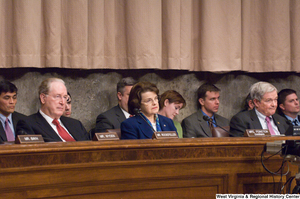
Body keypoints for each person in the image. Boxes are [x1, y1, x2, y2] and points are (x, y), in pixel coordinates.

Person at [17, 78, 90, 142]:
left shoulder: (76, 124)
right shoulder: (28, 124)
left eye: (65, 97)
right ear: (43, 98)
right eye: (58, 96)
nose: (62, 102)